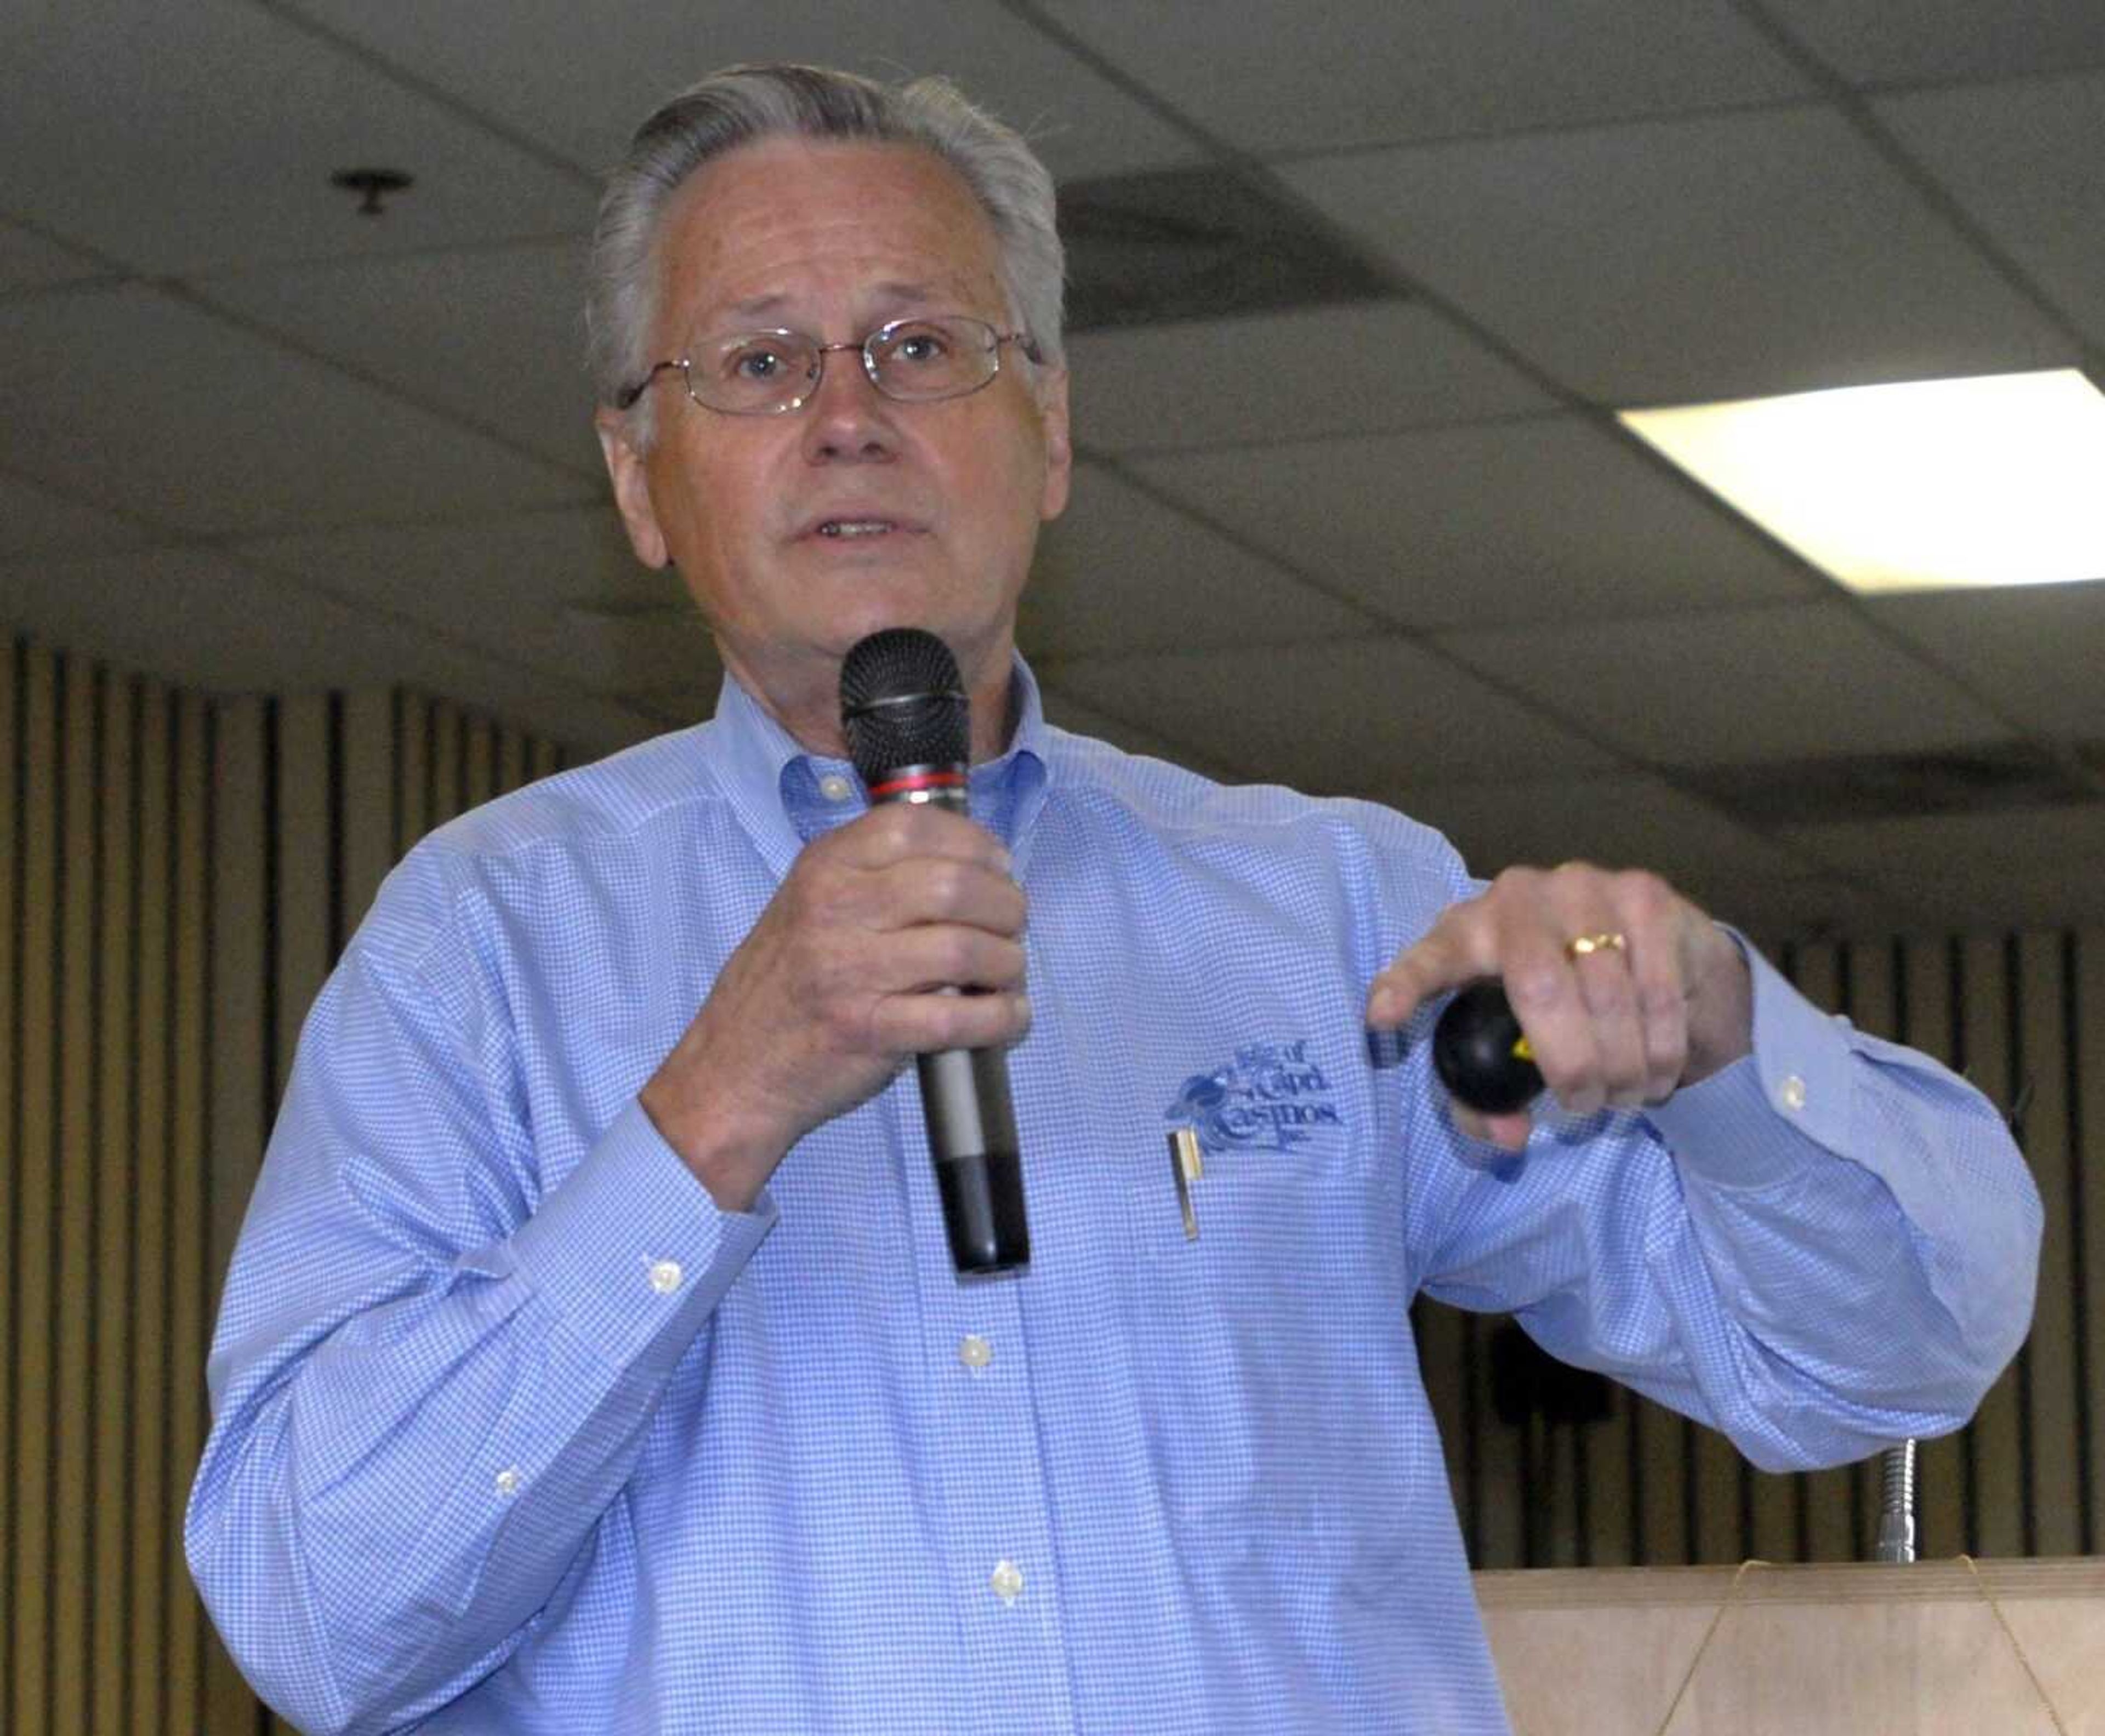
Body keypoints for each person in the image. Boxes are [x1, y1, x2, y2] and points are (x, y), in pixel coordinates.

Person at [186, 64, 2042, 1736]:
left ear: (1052, 433)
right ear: (637, 480)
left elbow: (1884, 1358)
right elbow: (315, 1617)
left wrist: (1720, 1040)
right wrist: (714, 1111)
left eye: (922, 345)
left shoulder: (1323, 912)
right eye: (756, 362)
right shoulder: (480, 949)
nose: (849, 415)